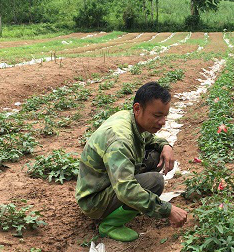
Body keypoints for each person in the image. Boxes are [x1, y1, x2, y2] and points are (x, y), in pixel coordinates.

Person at [75, 81, 188, 242]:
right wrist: (167, 210)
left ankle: (129, 205)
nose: (163, 121)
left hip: (107, 181)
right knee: (155, 182)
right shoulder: (120, 140)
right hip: (94, 200)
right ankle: (110, 225)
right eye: (157, 116)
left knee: (156, 155)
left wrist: (165, 146)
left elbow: (149, 139)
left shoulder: (130, 119)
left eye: (165, 116)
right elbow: (125, 189)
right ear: (137, 109)